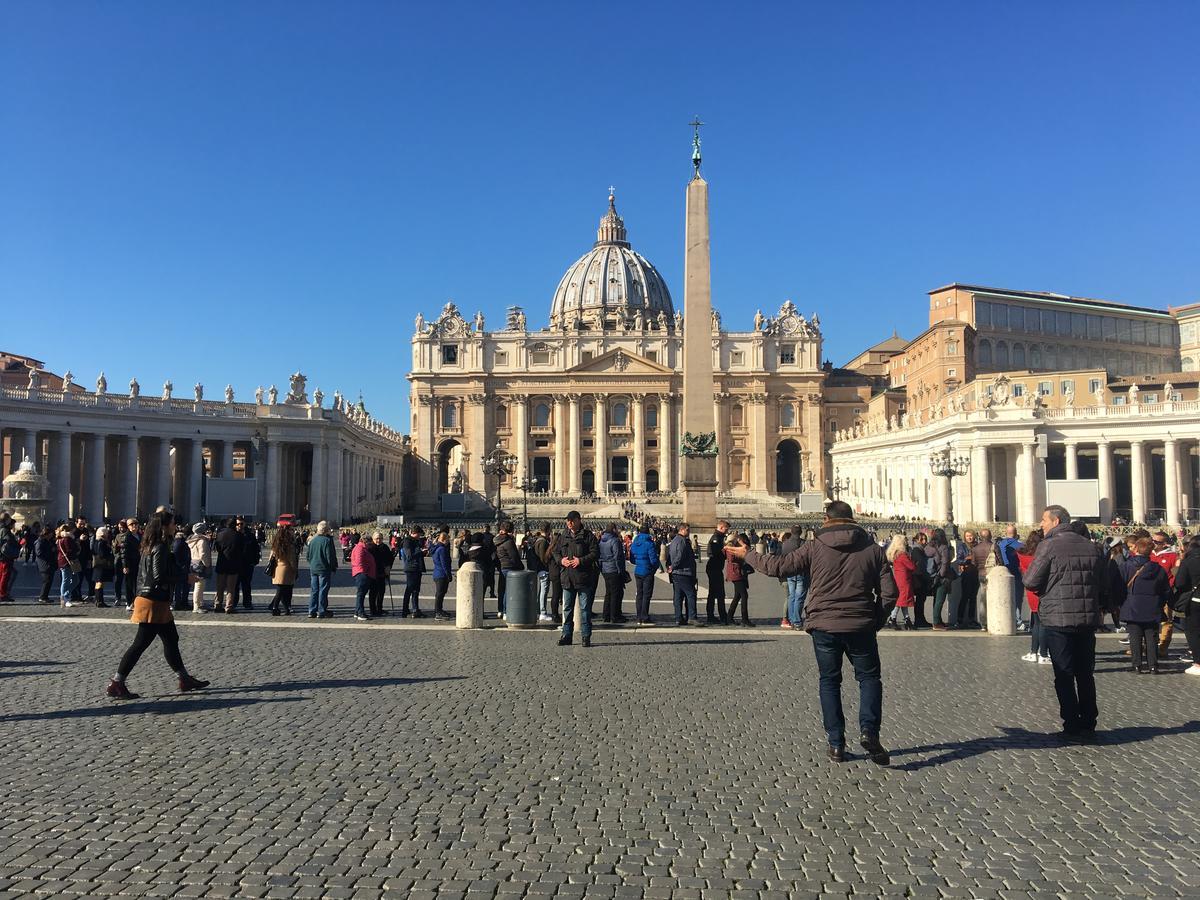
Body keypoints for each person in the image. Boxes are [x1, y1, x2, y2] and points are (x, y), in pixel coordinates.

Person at [728, 501, 896, 765]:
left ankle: (836, 745)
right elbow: (889, 593)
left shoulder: (814, 547)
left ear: (826, 520)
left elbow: (778, 568)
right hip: (861, 625)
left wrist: (747, 554)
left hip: (824, 625)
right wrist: (875, 619)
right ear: (852, 520)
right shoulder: (873, 550)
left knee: (830, 682)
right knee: (869, 679)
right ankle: (869, 731)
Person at [1022, 505, 1108, 743]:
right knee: (1085, 673)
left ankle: (1071, 723)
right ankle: (1089, 722)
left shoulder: (1048, 546)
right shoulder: (1092, 547)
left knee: (1064, 673)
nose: (1041, 525)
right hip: (1087, 618)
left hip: (1058, 618)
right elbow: (1102, 582)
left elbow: (1031, 580)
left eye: (1043, 520)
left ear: (1056, 520)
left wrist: (1044, 589)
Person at [106, 509, 209, 699]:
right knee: (140, 644)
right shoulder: (160, 547)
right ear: (163, 526)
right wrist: (184, 577)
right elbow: (159, 576)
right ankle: (117, 683)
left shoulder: (150, 545)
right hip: (152, 601)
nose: (174, 526)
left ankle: (184, 679)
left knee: (171, 639)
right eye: (171, 523)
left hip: (155, 600)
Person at [1119, 537, 1170, 674]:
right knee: (1152, 637)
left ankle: (1137, 665)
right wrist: (1160, 602)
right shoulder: (1158, 569)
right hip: (1153, 605)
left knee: (1135, 637)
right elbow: (1165, 589)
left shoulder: (1126, 566)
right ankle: (1153, 665)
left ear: (1136, 548)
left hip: (1132, 604)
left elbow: (1119, 586)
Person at [555, 510, 598, 647]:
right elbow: (555, 552)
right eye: (568, 520)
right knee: (567, 609)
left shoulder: (588, 536)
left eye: (571, 520)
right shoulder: (564, 535)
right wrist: (561, 560)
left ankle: (586, 636)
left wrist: (581, 561)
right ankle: (567, 635)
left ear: (578, 520)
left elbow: (595, 553)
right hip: (567, 577)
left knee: (585, 609)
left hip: (583, 577)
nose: (569, 523)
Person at [1016, 530, 1049, 664]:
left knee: (1035, 623)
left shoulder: (1022, 555)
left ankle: (1033, 652)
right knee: (1043, 624)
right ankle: (1043, 654)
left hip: (1030, 591)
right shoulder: (1041, 556)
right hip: (1043, 590)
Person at [1170, 536, 1200, 675]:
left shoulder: (1189, 561)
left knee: (1193, 631)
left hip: (1195, 600)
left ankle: (1198, 663)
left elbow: (1180, 583)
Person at [666, 523, 702, 627]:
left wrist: (670, 566)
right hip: (683, 572)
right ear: (682, 530)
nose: (689, 532)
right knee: (691, 594)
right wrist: (673, 566)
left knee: (678, 596)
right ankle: (692, 617)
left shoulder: (674, 541)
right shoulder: (682, 541)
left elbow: (670, 556)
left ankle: (678, 618)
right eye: (688, 530)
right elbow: (680, 556)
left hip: (676, 573)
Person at [305, 520, 338, 618]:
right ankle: (322, 610)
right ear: (326, 530)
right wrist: (333, 567)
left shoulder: (312, 540)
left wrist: (312, 563)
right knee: (323, 589)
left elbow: (307, 556)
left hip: (313, 568)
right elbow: (330, 557)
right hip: (324, 569)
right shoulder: (327, 541)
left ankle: (311, 610)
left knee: (314, 590)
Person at [629, 524, 660, 625]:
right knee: (647, 595)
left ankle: (638, 616)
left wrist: (638, 563)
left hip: (638, 571)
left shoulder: (635, 542)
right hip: (647, 571)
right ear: (648, 532)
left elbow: (632, 558)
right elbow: (654, 560)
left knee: (639, 594)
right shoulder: (649, 543)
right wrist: (654, 568)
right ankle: (644, 616)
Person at [997, 524, 1026, 632]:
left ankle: (1004, 619)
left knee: (1004, 599)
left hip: (1003, 574)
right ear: (1016, 533)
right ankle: (1018, 621)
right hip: (1018, 575)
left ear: (1006, 533)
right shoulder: (1021, 545)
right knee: (1017, 599)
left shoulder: (1000, 545)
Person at [267, 525, 300, 616]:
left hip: (277, 569)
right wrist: (295, 570)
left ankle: (284, 608)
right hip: (286, 570)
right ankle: (275, 607)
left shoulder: (276, 544)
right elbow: (292, 559)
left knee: (281, 590)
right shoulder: (289, 545)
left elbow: (271, 557)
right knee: (282, 591)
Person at [598, 523, 627, 624]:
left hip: (605, 570)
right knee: (616, 593)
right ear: (614, 529)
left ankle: (606, 615)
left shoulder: (601, 540)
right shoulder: (615, 540)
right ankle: (615, 616)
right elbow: (618, 557)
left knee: (608, 593)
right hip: (614, 569)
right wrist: (621, 571)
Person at [493, 521, 522, 618]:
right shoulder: (508, 541)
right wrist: (521, 567)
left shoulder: (497, 540)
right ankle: (506, 611)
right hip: (510, 567)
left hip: (502, 567)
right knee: (508, 590)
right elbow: (514, 557)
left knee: (501, 589)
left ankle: (500, 610)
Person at [780, 525, 807, 630]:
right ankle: (797, 621)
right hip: (801, 571)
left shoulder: (785, 544)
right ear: (800, 532)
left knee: (791, 596)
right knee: (799, 597)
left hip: (790, 572)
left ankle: (791, 620)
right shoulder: (804, 543)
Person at [886, 534, 915, 629]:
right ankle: (892, 618)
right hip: (904, 579)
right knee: (901, 600)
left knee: (903, 600)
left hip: (898, 578)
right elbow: (912, 566)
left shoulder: (895, 554)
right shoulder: (902, 555)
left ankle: (907, 619)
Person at [928, 529, 955, 630]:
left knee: (936, 599)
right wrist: (942, 574)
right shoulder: (943, 547)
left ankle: (938, 620)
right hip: (942, 577)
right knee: (940, 600)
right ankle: (936, 623)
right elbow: (945, 562)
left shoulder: (929, 547)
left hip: (932, 575)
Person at [724, 534, 754, 626]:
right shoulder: (730, 547)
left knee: (738, 596)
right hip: (735, 573)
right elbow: (732, 558)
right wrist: (742, 554)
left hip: (737, 572)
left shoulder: (733, 547)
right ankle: (744, 619)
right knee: (744, 595)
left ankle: (729, 617)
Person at [213, 519, 241, 614]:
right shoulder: (237, 535)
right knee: (231, 587)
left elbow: (216, 547)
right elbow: (241, 550)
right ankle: (229, 606)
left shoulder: (220, 534)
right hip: (233, 563)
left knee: (220, 586)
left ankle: (217, 604)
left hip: (221, 562)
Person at [364, 531, 394, 617]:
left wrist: (388, 567)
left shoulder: (385, 547)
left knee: (381, 592)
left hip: (382, 573)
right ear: (373, 539)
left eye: (380, 538)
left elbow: (390, 559)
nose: (378, 540)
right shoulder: (370, 547)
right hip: (372, 574)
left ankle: (379, 608)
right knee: (373, 592)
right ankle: (373, 610)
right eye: (377, 538)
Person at [705, 520, 730, 625]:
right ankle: (721, 616)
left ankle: (713, 615)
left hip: (715, 568)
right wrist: (725, 550)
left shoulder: (719, 537)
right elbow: (715, 553)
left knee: (715, 593)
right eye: (726, 529)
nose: (727, 531)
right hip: (714, 568)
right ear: (721, 527)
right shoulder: (716, 538)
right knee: (719, 593)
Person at [400, 526, 427, 618]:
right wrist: (420, 551)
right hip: (411, 568)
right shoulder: (407, 541)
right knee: (409, 589)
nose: (420, 536)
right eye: (419, 534)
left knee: (416, 590)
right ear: (415, 533)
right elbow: (409, 555)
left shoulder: (415, 541)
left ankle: (415, 610)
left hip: (417, 568)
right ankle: (405, 609)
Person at [350, 531, 377, 621]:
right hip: (362, 574)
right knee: (361, 594)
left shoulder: (361, 548)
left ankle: (357, 611)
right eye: (370, 543)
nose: (371, 545)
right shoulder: (360, 549)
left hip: (363, 573)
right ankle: (360, 613)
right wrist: (364, 573)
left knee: (361, 594)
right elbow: (359, 562)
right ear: (365, 542)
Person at [186, 523, 213, 613]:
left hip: (193, 562)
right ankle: (196, 606)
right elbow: (203, 554)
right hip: (200, 564)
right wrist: (207, 564)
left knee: (198, 585)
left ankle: (200, 604)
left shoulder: (191, 540)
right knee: (199, 586)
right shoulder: (202, 541)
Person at [115, 518, 141, 610]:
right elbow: (123, 552)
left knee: (137, 584)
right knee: (129, 584)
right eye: (131, 524)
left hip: (138, 563)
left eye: (136, 524)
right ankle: (129, 602)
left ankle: (136, 601)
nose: (134, 526)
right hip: (130, 563)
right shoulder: (126, 536)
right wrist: (125, 565)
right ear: (128, 526)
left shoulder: (140, 536)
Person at [235, 518, 261, 610]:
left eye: (241, 524)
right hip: (236, 564)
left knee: (246, 585)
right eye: (237, 524)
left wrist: (255, 561)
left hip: (247, 564)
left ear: (244, 524)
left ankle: (247, 602)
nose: (239, 526)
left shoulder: (250, 536)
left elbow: (256, 549)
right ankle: (234, 602)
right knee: (235, 585)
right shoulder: (234, 535)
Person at [531, 524, 553, 623]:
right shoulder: (543, 542)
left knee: (541, 592)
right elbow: (543, 557)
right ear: (548, 530)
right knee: (543, 592)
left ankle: (538, 611)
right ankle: (542, 612)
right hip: (543, 569)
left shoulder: (538, 540)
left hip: (540, 569)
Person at [55, 524, 80, 607]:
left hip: (63, 561)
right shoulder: (67, 539)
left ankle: (65, 596)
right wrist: (77, 546)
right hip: (68, 562)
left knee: (71, 580)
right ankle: (65, 599)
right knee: (67, 580)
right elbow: (70, 550)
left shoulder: (59, 539)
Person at [92, 526, 116, 608]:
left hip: (98, 565)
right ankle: (99, 601)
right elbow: (102, 554)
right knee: (100, 583)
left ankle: (98, 600)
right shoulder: (101, 542)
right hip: (101, 565)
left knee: (98, 583)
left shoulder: (96, 541)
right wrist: (109, 549)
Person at [430, 531, 452, 619]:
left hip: (437, 573)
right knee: (440, 594)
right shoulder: (442, 549)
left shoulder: (436, 548)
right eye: (447, 540)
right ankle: (438, 612)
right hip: (442, 574)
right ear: (444, 540)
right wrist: (448, 575)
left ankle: (439, 610)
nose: (448, 542)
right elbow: (444, 564)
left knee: (440, 594)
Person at [34, 526, 56, 604]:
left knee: (49, 581)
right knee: (46, 581)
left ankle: (45, 596)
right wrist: (51, 551)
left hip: (49, 564)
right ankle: (42, 597)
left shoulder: (47, 541)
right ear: (47, 534)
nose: (52, 535)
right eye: (51, 534)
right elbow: (39, 553)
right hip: (44, 564)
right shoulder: (40, 541)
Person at [0, 516, 20, 603]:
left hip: (4, 558)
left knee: (6, 576)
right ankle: (3, 594)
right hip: (5, 558)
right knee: (5, 576)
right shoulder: (5, 530)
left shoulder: (3, 529)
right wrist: (18, 543)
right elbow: (7, 543)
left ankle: (4, 593)